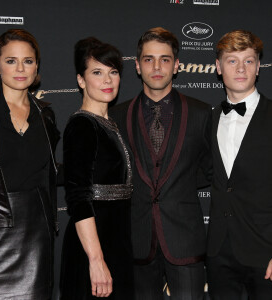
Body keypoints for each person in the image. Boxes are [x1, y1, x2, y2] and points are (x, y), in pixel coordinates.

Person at [110, 27, 212, 300]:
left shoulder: (201, 113)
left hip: (185, 240)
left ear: (177, 65)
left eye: (165, 59)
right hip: (136, 241)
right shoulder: (117, 116)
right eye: (149, 59)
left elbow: (211, 170)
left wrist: (181, 185)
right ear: (138, 66)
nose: (157, 67)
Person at [0, 29, 60, 299]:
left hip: (35, 234)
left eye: (28, 61)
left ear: (36, 66)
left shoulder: (45, 114)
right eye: (11, 61)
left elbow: (47, 172)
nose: (21, 68)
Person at [60, 37, 133, 300]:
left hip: (116, 243)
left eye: (113, 72)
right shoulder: (82, 126)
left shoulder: (108, 124)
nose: (107, 80)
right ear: (81, 80)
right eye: (97, 72)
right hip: (93, 247)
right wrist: (96, 260)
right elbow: (78, 198)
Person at [206, 29, 272, 299]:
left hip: (265, 252)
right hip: (218, 252)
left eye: (249, 60)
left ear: (258, 66)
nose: (241, 68)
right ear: (219, 68)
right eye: (232, 60)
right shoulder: (208, 120)